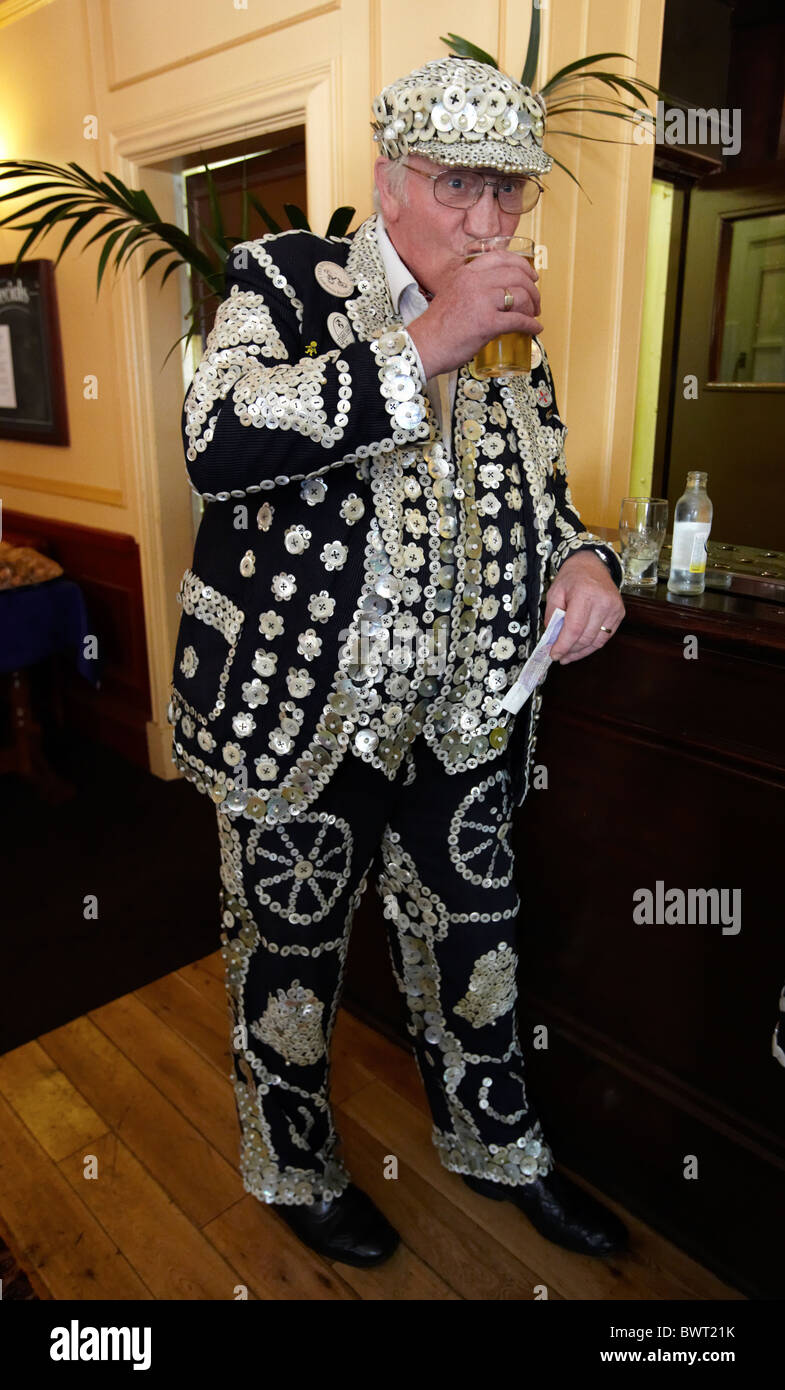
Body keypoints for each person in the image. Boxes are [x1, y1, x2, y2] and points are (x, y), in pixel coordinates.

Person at [168, 55, 627, 1270]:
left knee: (480, 942)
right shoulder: (289, 282)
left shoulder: (510, 340)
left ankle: (496, 1143)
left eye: (508, 194)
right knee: (291, 959)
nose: (486, 223)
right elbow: (214, 439)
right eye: (456, 188)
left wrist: (586, 564)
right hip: (304, 717)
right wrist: (424, 340)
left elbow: (551, 499)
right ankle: (293, 1163)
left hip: (462, 723)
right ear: (386, 182)